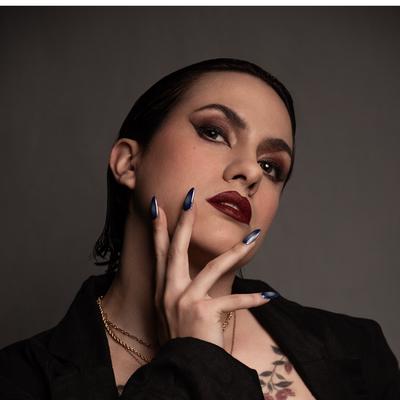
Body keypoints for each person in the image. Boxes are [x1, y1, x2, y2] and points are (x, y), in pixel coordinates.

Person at [0, 58, 399, 400]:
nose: (249, 171)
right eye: (214, 132)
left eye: (271, 166)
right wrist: (195, 360)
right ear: (129, 163)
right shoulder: (19, 381)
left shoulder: (359, 351)